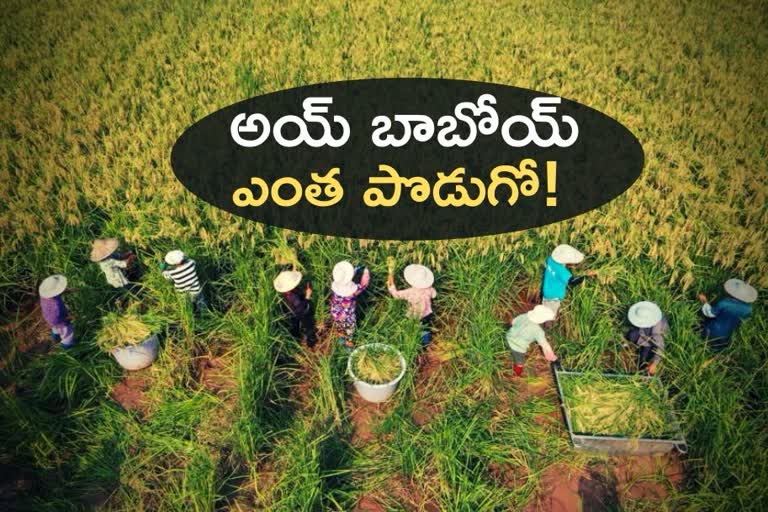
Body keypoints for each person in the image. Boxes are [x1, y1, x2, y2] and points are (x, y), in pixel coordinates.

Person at [698, 278, 757, 351]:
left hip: (713, 331)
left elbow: (710, 313)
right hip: (727, 336)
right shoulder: (749, 309)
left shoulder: (724, 303)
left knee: (704, 336)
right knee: (717, 348)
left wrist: (704, 301)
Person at [387, 264, 437, 347]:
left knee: (410, 328)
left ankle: (410, 342)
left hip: (413, 315)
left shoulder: (410, 292)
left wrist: (390, 283)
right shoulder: (430, 289)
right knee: (425, 328)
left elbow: (396, 295)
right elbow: (434, 295)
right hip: (426, 314)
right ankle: (424, 345)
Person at [541, 244, 596, 318]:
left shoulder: (550, 259)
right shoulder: (562, 271)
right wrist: (586, 275)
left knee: (546, 312)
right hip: (554, 297)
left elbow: (554, 270)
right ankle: (545, 327)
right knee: (549, 317)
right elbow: (572, 281)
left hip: (546, 292)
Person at [505, 305, 558, 377]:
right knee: (519, 363)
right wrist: (553, 358)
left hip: (507, 337)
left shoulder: (524, 316)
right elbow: (545, 346)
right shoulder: (538, 331)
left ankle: (506, 357)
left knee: (508, 349)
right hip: (517, 348)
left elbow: (512, 322)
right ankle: (516, 375)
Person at [330, 260, 370, 350]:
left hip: (336, 313)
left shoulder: (335, 287)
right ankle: (348, 345)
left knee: (339, 327)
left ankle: (341, 338)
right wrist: (366, 272)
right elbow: (364, 285)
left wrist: (354, 270)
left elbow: (344, 278)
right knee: (349, 331)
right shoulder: (352, 293)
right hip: (348, 317)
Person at [274, 270, 316, 348]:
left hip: (292, 311)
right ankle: (311, 343)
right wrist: (307, 296)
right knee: (309, 326)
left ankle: (295, 339)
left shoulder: (286, 293)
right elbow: (301, 308)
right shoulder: (293, 297)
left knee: (295, 325)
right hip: (301, 312)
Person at [626, 301, 668, 375]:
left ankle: (647, 351)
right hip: (645, 335)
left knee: (643, 361)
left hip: (653, 341)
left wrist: (655, 363)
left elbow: (661, 346)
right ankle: (643, 347)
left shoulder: (657, 329)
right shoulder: (647, 310)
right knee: (632, 335)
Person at [39, 274, 76, 348]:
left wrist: (69, 290)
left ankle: (55, 337)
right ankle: (67, 346)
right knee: (67, 334)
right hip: (60, 322)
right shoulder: (55, 306)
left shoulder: (45, 295)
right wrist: (70, 317)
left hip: (48, 317)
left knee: (55, 328)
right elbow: (57, 320)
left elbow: (58, 293)